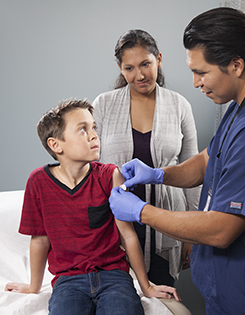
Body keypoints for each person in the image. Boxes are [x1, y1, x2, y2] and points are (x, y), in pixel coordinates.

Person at [109, 7, 245, 315]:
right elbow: (208, 160)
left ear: (236, 65)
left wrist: (141, 211)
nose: (196, 83)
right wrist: (159, 174)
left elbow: (221, 229)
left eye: (202, 72)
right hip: (227, 286)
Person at [4, 99, 180, 315]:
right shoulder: (38, 182)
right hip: (68, 280)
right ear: (56, 145)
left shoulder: (109, 175)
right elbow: (40, 239)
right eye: (82, 129)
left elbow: (128, 235)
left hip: (114, 276)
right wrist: (33, 287)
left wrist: (146, 286)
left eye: (94, 127)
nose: (94, 135)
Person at [92, 29, 200, 286]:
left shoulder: (179, 105)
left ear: (159, 59)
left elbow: (194, 172)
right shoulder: (103, 106)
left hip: (168, 222)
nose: (139, 75)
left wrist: (191, 234)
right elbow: (89, 168)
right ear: (120, 68)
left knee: (161, 298)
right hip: (116, 224)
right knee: (119, 299)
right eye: (129, 68)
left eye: (145, 64)